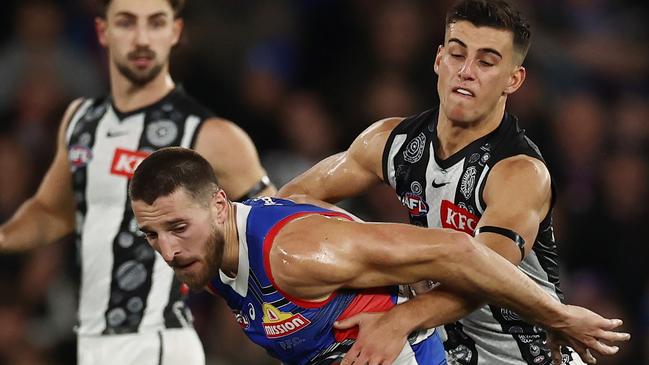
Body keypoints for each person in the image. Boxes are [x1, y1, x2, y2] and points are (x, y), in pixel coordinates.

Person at [278, 0, 617, 364]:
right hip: (445, 352)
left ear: (513, 80)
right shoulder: (390, 142)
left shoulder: (519, 173)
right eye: (457, 54)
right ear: (439, 59)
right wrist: (373, 260)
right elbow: (290, 201)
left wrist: (400, 317)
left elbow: (483, 275)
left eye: (486, 62)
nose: (466, 71)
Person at [129, 147, 628, 365]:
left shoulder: (299, 253)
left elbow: (455, 250)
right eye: (151, 235)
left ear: (219, 207)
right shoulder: (208, 255)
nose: (168, 250)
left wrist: (559, 317)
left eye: (177, 228)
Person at [0, 0, 274, 364]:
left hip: (159, 341)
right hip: (92, 341)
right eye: (127, 23)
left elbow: (276, 230)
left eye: (156, 23)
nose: (142, 39)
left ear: (175, 32)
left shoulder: (211, 135)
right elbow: (52, 211)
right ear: (103, 32)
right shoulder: (80, 120)